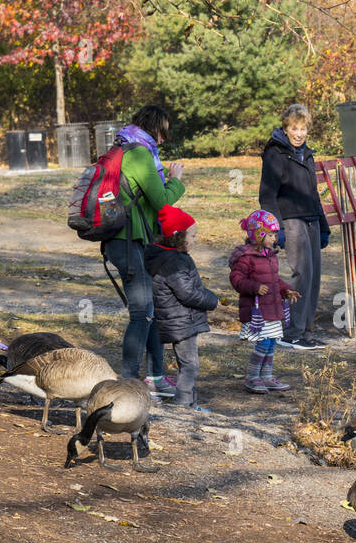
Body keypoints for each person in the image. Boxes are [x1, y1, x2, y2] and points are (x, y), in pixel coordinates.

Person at [103, 105, 186, 396]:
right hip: (126, 241)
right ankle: (128, 385)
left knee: (149, 310)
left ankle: (155, 376)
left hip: (130, 239)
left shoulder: (125, 146)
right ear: (156, 128)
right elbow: (162, 200)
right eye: (163, 132)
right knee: (142, 313)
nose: (164, 139)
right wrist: (176, 179)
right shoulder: (139, 153)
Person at [259, 103, 330, 350]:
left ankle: (306, 330)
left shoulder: (307, 154)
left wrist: (324, 225)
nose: (299, 133)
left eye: (303, 128)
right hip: (290, 219)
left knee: (313, 278)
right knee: (300, 275)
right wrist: (275, 229)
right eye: (294, 128)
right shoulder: (276, 153)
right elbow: (267, 195)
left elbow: (313, 193)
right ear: (286, 129)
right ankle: (292, 331)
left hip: (311, 218)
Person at [148, 206, 217, 411]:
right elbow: (187, 293)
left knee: (186, 364)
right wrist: (211, 300)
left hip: (180, 320)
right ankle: (183, 404)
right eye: (192, 236)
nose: (195, 240)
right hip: (180, 321)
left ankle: (190, 402)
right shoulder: (174, 263)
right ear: (178, 237)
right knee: (190, 365)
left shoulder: (171, 258)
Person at [229, 210, 300, 394]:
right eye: (271, 234)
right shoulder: (246, 257)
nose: (275, 238)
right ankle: (253, 377)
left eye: (276, 234)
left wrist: (286, 290)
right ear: (259, 234)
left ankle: (266, 376)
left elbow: (274, 280)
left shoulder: (271, 255)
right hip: (257, 309)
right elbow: (236, 279)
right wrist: (254, 287)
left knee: (271, 343)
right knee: (263, 342)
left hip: (272, 306)